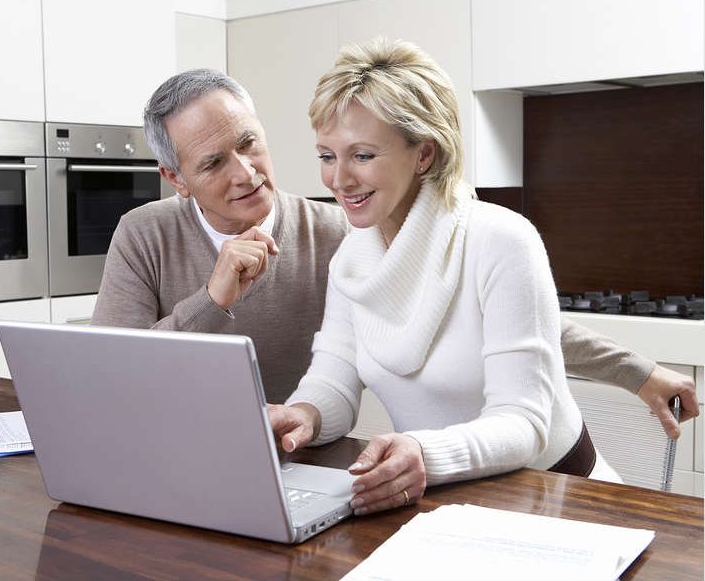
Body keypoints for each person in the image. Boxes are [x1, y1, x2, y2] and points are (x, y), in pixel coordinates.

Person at [90, 68, 697, 429]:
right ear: (176, 177)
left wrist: (635, 371)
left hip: (301, 452)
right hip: (173, 446)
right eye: (214, 163)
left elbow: (500, 317)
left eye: (250, 143)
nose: (246, 172)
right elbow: (110, 377)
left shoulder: (340, 235)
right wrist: (211, 299)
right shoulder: (144, 235)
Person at [265, 37, 681, 516]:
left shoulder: (500, 240)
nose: (339, 179)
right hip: (448, 504)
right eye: (326, 156)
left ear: (423, 154)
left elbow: (524, 422)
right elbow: (334, 379)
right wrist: (303, 414)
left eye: (362, 155)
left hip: (557, 500)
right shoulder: (352, 261)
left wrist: (423, 452)